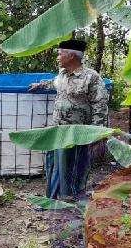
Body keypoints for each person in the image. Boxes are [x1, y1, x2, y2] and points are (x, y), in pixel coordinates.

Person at [29, 39, 108, 200]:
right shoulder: (62, 74)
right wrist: (39, 85)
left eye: (60, 54)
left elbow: (100, 104)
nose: (57, 57)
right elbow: (54, 83)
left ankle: (71, 198)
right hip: (58, 129)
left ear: (71, 56)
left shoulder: (91, 77)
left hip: (77, 133)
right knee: (54, 164)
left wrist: (97, 132)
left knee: (73, 166)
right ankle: (52, 198)